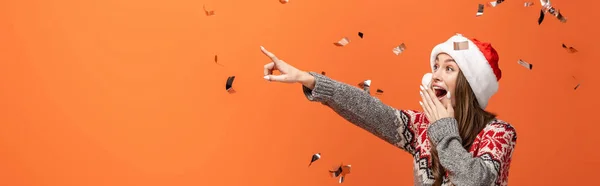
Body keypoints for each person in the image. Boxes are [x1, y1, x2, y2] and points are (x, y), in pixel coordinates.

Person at [260, 33, 517, 186]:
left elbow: (477, 181)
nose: (435, 75)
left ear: (469, 86)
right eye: (436, 66)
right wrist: (311, 80)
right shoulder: (421, 127)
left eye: (449, 69)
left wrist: (444, 131)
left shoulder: (498, 134)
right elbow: (369, 111)